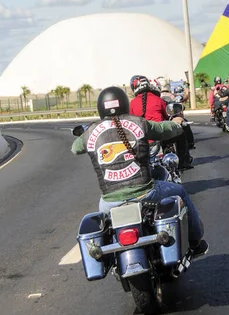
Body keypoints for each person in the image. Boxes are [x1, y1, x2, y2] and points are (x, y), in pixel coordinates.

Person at [71, 86, 207, 254]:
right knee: (179, 191)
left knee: (107, 226)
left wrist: (86, 134)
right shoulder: (139, 123)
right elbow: (165, 130)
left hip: (109, 202)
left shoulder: (91, 132)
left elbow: (75, 149)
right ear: (124, 104)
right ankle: (196, 242)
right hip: (145, 193)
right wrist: (177, 122)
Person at [130, 75, 193, 170]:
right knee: (180, 133)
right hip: (160, 136)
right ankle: (184, 162)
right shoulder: (158, 100)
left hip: (142, 140)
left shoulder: (132, 103)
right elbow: (167, 116)